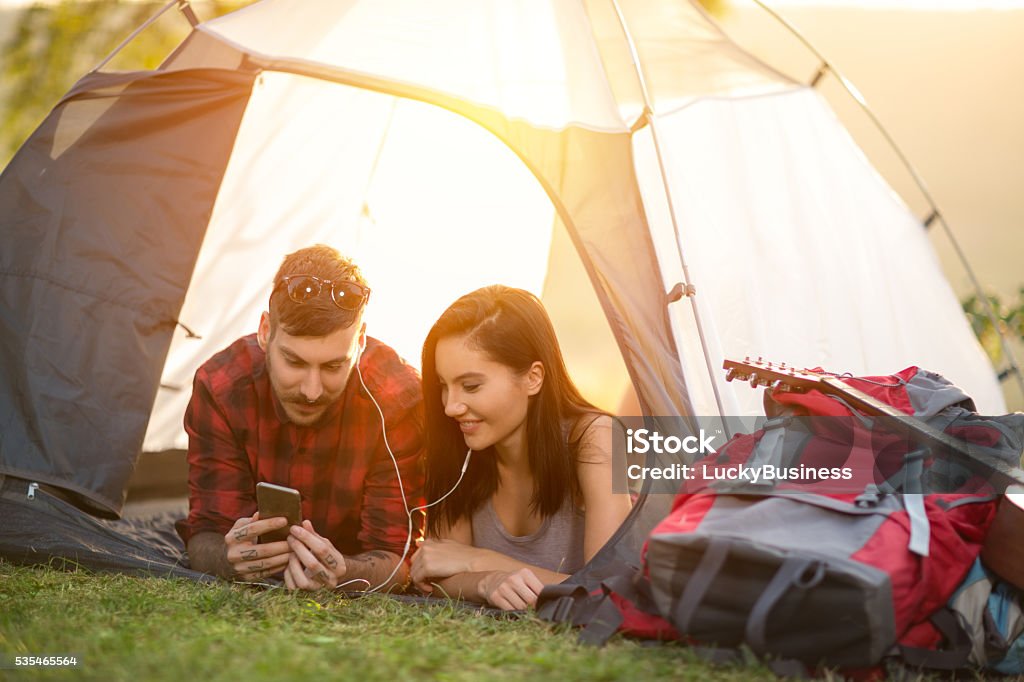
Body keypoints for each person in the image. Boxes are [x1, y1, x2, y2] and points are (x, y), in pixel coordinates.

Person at [175, 245, 423, 592]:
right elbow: (206, 533)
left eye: (334, 366)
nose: (311, 390)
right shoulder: (221, 387)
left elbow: (399, 556)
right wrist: (226, 559)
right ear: (265, 332)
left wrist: (343, 574)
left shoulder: (399, 398)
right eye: (294, 362)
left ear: (361, 341)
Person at [409, 285, 632, 610]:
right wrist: (487, 582)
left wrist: (478, 560)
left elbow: (605, 591)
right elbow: (439, 572)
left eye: (471, 386)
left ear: (533, 378)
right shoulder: (457, 442)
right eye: (444, 386)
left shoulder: (594, 437)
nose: (451, 407)